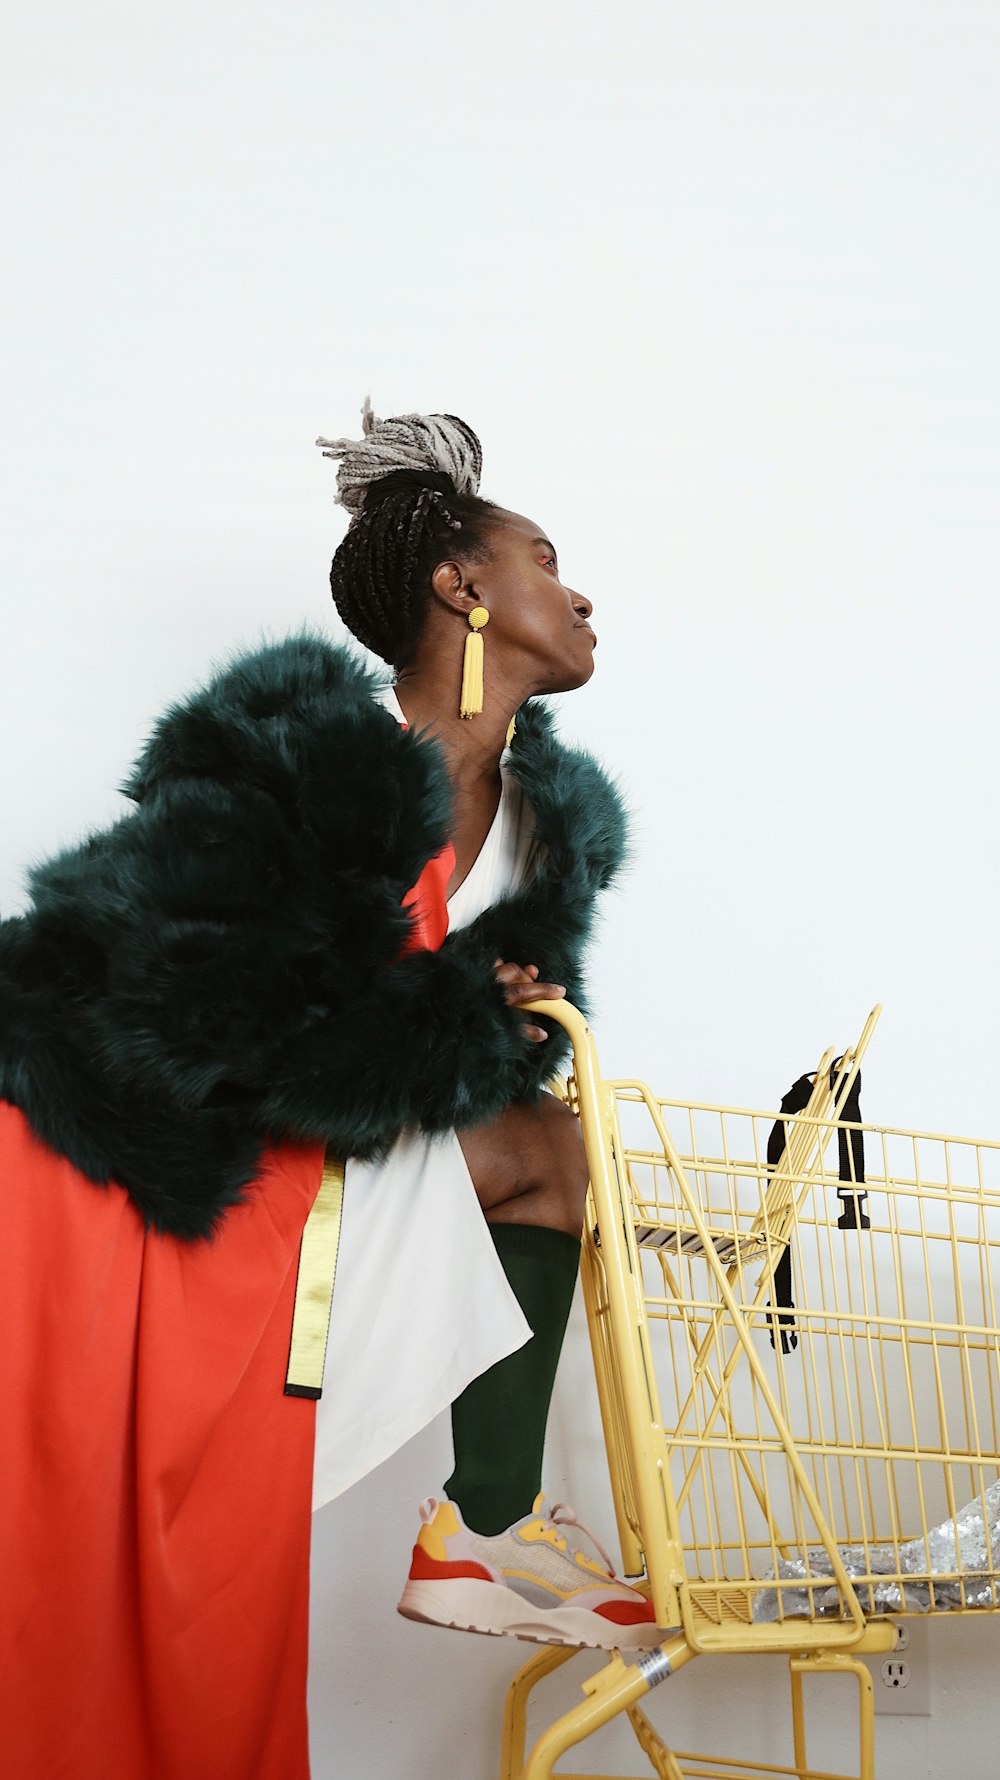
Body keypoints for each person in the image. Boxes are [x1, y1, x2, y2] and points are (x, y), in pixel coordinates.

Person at [0, 400, 660, 1780]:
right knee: (97, 1568)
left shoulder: (548, 831)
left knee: (557, 1146)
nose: (581, 588)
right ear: (460, 585)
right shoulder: (301, 751)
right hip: (115, 1150)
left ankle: (486, 1520)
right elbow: (199, 993)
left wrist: (471, 1032)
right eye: (546, 554)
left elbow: (498, 1056)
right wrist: (444, 1026)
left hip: (320, 1174)